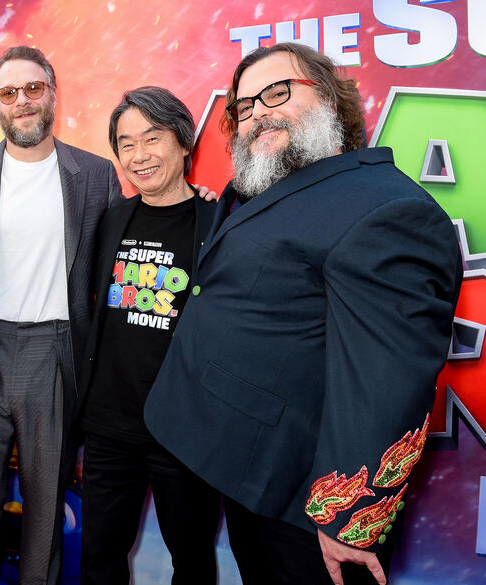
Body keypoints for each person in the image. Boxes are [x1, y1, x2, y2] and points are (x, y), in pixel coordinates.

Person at [144, 43, 463, 585]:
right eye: (244, 107)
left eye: (277, 93)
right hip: (241, 471)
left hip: (302, 506)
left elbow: (387, 381)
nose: (258, 113)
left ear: (333, 103)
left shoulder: (388, 208)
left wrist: (347, 522)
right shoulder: (272, 186)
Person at [0, 46, 121, 585]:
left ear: (53, 93)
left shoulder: (96, 175)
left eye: (32, 88)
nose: (22, 101)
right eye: (8, 93)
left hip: (55, 355)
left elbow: (118, 258)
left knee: (44, 512)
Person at [78, 87, 221, 585]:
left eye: (152, 138)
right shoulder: (111, 218)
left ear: (184, 142)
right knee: (99, 558)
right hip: (108, 427)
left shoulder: (220, 221)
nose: (139, 155)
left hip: (184, 430)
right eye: (126, 143)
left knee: (193, 559)